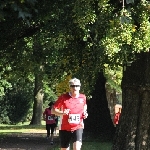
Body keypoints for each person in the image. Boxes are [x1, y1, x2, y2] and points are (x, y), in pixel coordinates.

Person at [51, 78, 88, 150]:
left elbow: (84, 106)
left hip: (78, 126)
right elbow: (53, 110)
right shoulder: (63, 97)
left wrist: (85, 113)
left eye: (77, 86)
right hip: (64, 128)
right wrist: (62, 113)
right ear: (69, 87)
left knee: (77, 148)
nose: (75, 88)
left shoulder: (83, 97)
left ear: (80, 86)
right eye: (73, 86)